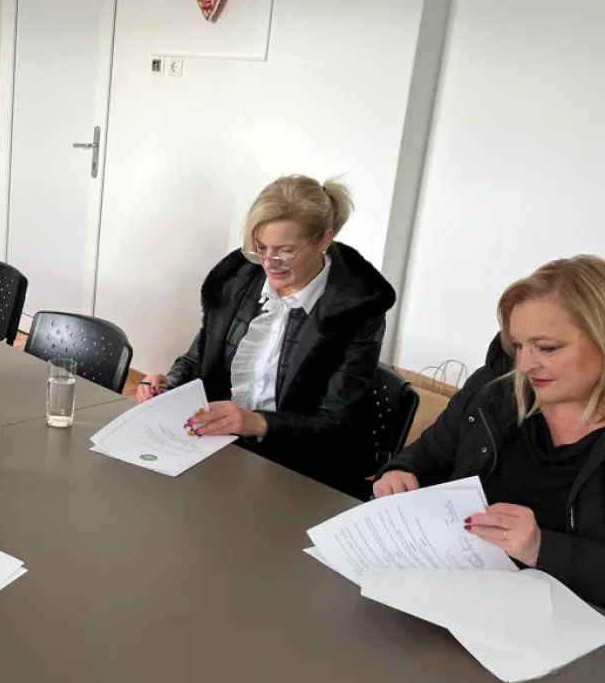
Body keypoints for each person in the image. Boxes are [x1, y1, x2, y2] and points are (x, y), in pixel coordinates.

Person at [138, 175, 396, 494]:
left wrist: (256, 422)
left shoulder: (357, 310)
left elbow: (336, 422)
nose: (270, 263)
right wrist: (168, 383)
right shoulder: (238, 282)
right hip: (222, 449)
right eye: (261, 248)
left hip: (300, 468)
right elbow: (198, 359)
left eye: (286, 251)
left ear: (324, 240)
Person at [374, 256, 605, 606]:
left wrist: (542, 548)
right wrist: (402, 471)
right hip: (452, 593)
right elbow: (433, 451)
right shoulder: (496, 389)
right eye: (519, 346)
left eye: (546, 348)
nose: (525, 365)